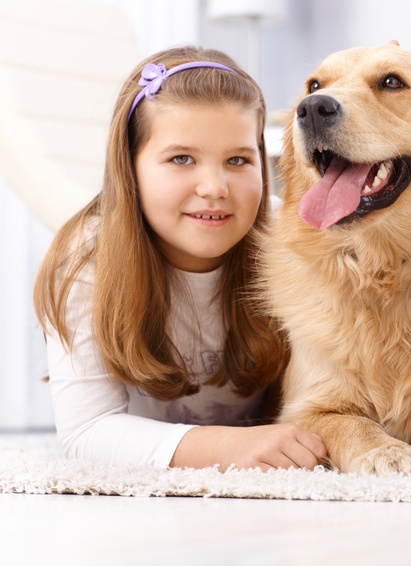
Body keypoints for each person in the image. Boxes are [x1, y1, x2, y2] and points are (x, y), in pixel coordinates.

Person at [33, 46, 326, 471]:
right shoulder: (86, 256)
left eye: (238, 159)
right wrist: (228, 449)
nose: (214, 186)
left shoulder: (287, 237)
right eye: (182, 158)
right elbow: (87, 432)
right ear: (129, 167)